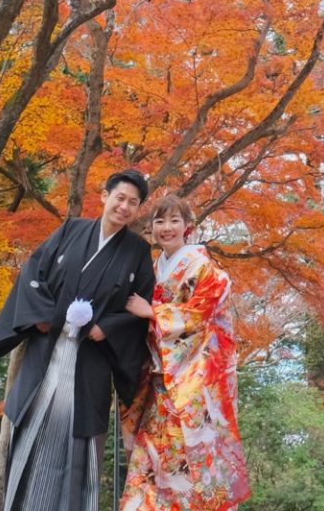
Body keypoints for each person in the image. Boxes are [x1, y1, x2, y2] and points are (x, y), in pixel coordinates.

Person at [0, 169, 158, 511]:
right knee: (31, 434)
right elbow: (33, 274)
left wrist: (107, 327)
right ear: (104, 196)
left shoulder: (137, 251)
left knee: (79, 448)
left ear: (138, 209)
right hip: (48, 351)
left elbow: (142, 306)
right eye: (119, 198)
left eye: (133, 203)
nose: (124, 207)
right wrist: (45, 318)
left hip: (92, 359)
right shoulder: (70, 230)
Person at [117, 193, 251, 511]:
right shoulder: (153, 269)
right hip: (158, 382)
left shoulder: (204, 268)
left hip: (191, 383)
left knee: (186, 461)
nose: (166, 227)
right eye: (159, 221)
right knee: (151, 460)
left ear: (188, 226)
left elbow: (199, 315)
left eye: (174, 220)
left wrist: (152, 312)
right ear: (151, 228)